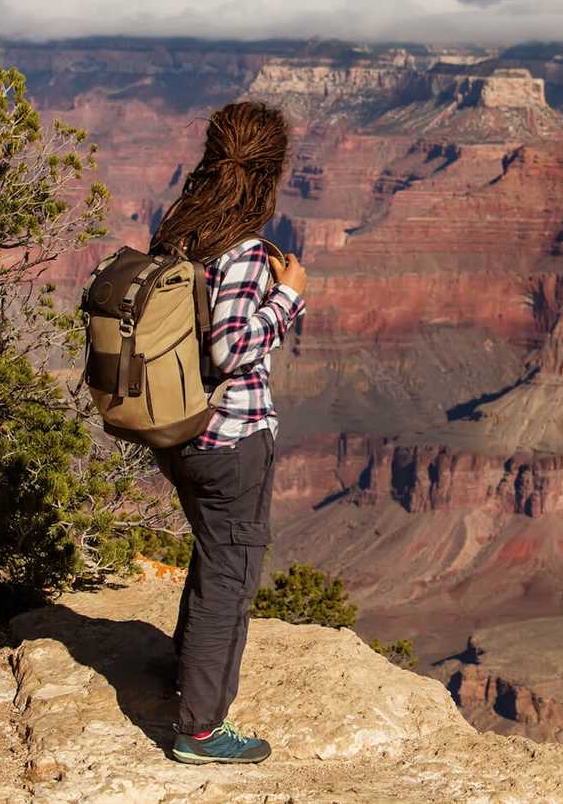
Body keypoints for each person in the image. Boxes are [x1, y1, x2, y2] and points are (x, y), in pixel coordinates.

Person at [147, 101, 307, 765]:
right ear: (271, 171)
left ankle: (185, 670)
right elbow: (231, 344)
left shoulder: (182, 224)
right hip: (229, 438)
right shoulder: (240, 244)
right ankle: (202, 727)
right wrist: (290, 293)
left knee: (214, 552)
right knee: (231, 574)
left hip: (178, 430)